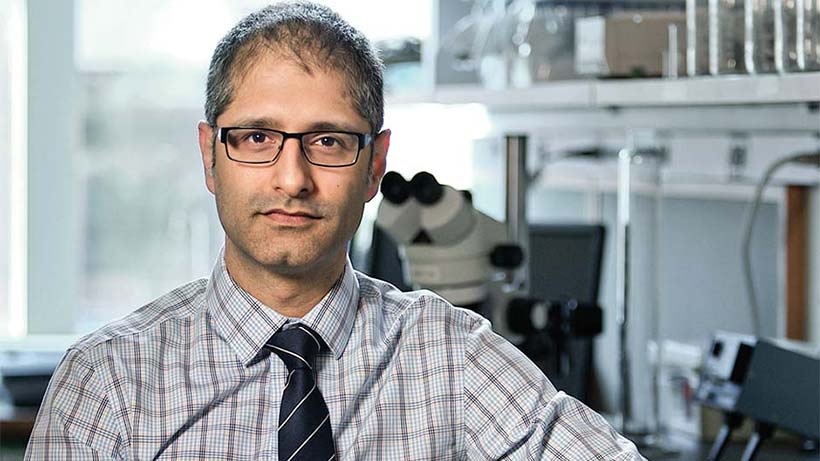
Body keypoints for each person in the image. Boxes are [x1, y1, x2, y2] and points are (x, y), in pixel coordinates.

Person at [26, 2, 645, 459]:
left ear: (375, 166)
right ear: (210, 156)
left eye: (328, 141)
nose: (292, 179)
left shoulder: (453, 357)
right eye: (257, 138)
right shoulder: (109, 381)